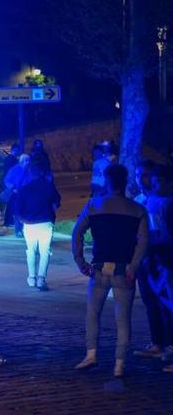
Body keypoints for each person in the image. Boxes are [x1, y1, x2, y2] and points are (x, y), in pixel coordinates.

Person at [72, 164, 149, 378]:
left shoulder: (94, 206)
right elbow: (143, 242)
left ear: (106, 181)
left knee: (92, 313)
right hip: (125, 271)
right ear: (125, 182)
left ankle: (91, 354)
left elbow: (77, 234)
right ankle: (119, 364)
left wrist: (80, 261)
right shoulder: (137, 210)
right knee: (123, 318)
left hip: (97, 269)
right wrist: (134, 265)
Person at [134, 165, 173, 363]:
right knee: (151, 302)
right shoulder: (143, 200)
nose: (141, 180)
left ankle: (168, 345)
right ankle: (158, 342)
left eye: (146, 176)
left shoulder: (165, 203)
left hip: (160, 259)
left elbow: (163, 234)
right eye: (137, 175)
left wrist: (150, 246)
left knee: (165, 303)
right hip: (147, 258)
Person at [15, 162, 61, 290]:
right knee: (45, 251)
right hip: (45, 222)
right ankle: (41, 279)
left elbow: (18, 210)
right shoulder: (49, 186)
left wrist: (23, 219)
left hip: (29, 224)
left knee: (30, 251)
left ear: (30, 173)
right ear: (41, 173)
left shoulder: (24, 189)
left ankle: (31, 277)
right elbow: (57, 202)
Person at [3, 154, 32, 238]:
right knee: (18, 212)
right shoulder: (14, 169)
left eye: (28, 160)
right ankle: (18, 230)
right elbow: (7, 180)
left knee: (25, 212)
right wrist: (12, 188)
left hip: (26, 194)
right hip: (16, 194)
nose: (28, 162)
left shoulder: (29, 170)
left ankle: (24, 229)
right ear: (22, 161)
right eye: (26, 160)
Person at [2, 144, 22, 228]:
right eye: (18, 150)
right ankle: (8, 222)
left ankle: (8, 222)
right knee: (11, 204)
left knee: (10, 204)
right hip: (12, 186)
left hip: (9, 185)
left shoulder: (7, 159)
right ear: (15, 150)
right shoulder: (12, 160)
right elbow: (11, 173)